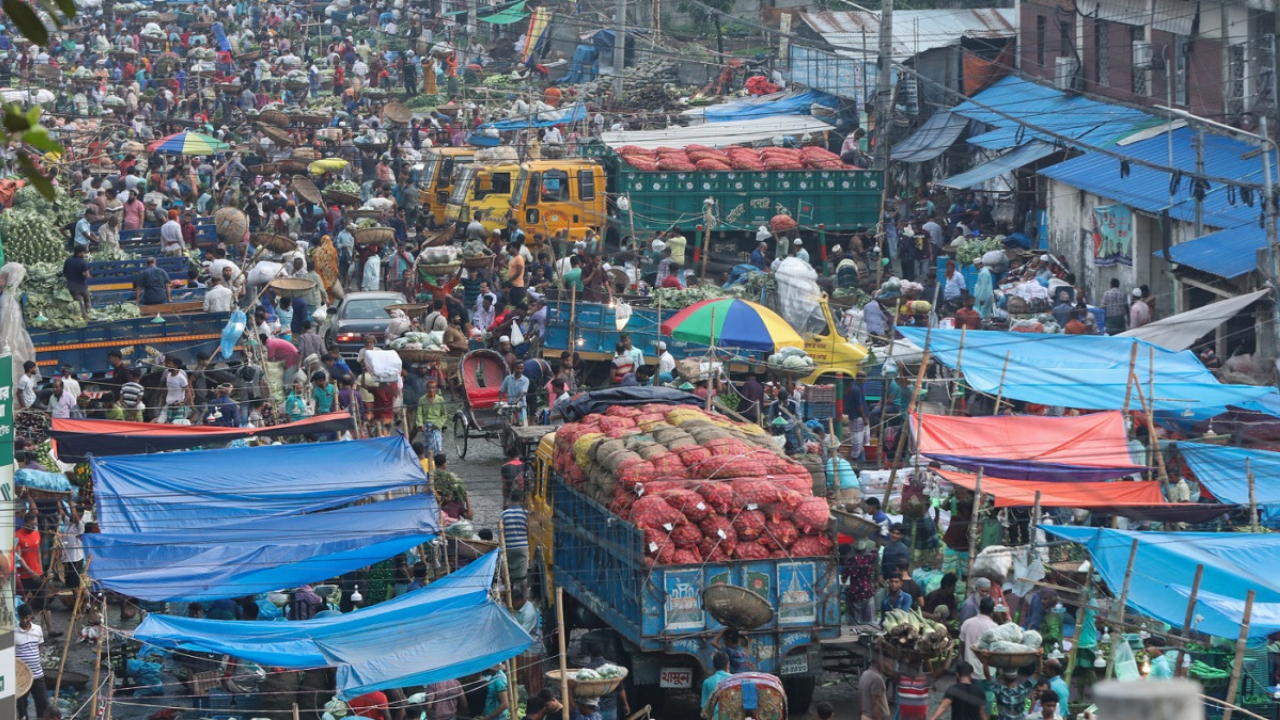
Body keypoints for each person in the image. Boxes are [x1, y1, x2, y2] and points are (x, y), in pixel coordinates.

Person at [15, 605, 49, 720]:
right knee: (22, 707)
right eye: (22, 618)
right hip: (21, 678)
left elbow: (39, 646)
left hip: (38, 674)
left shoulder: (38, 629)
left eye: (27, 617)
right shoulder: (14, 633)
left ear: (31, 616)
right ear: (18, 616)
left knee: (43, 704)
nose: (24, 620)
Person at [583, 640, 629, 720]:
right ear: (603, 652)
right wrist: (626, 704)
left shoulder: (587, 670)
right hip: (611, 710)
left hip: (595, 711)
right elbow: (621, 688)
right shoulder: (613, 667)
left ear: (590, 654)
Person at [960, 597, 999, 684]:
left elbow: (962, 645)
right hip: (988, 672)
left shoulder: (967, 623)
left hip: (969, 671)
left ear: (979, 608)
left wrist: (965, 660)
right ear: (992, 611)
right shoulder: (995, 627)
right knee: (988, 697)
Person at [502, 492, 529, 587]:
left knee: (507, 573)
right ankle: (524, 597)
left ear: (510, 500)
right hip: (522, 546)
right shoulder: (525, 514)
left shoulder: (504, 514)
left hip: (509, 547)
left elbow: (502, 532)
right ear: (521, 500)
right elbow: (528, 530)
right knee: (523, 575)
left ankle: (509, 593)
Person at [858, 653, 890, 720]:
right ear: (879, 662)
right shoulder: (877, 678)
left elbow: (860, 698)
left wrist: (860, 715)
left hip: (864, 716)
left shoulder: (865, 674)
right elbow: (875, 703)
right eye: (885, 661)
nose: (886, 664)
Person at [63, 246, 91, 319]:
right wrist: (84, 277)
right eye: (83, 252)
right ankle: (89, 313)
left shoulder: (68, 261)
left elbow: (64, 274)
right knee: (87, 299)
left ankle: (84, 317)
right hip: (82, 286)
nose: (84, 254)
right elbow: (87, 276)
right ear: (80, 253)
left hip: (72, 287)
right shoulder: (83, 262)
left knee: (79, 304)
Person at [499, 360, 530, 425]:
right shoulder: (508, 378)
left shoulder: (525, 380)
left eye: (521, 368)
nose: (519, 370)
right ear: (514, 368)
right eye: (518, 368)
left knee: (522, 424)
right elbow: (501, 390)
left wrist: (517, 400)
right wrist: (501, 401)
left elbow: (523, 392)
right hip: (509, 405)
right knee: (508, 424)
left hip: (521, 405)